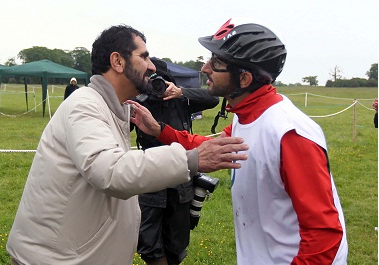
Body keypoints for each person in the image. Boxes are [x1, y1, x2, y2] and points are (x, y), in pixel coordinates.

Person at [6, 24, 249, 265]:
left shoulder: (116, 107)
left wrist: (160, 130)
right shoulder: (84, 105)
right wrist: (190, 160)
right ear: (118, 62)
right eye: (143, 57)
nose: (152, 66)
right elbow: (110, 171)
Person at [129, 18, 348, 264]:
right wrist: (159, 130)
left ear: (243, 79)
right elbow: (210, 147)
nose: (205, 69)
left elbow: (324, 234)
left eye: (217, 63)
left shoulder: (289, 133)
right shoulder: (245, 117)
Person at [133, 57, 219, 265]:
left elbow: (213, 98)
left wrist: (180, 92)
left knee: (176, 240)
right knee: (149, 241)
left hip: (181, 176)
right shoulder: (140, 102)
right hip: (150, 175)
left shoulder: (180, 99)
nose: (157, 86)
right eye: (152, 81)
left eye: (161, 81)